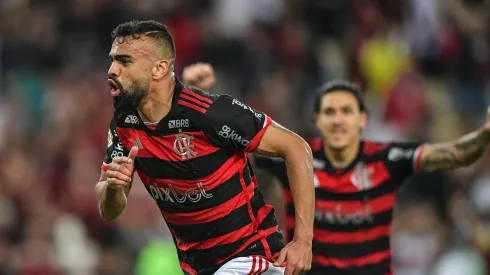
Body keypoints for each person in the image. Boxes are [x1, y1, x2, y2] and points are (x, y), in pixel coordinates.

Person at [183, 67, 490, 275]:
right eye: (330, 112)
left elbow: (457, 155)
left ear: (363, 119)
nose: (339, 120)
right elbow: (226, 159)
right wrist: (199, 99)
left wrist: (484, 135)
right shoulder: (295, 159)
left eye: (347, 111)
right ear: (318, 120)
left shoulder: (386, 159)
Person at [95, 20, 315, 275]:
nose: (112, 70)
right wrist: (113, 187)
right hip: (200, 268)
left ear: (159, 69)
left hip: (252, 257)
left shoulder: (209, 113)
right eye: (112, 60)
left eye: (124, 61)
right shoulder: (124, 122)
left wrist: (303, 241)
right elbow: (109, 209)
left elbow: (297, 148)